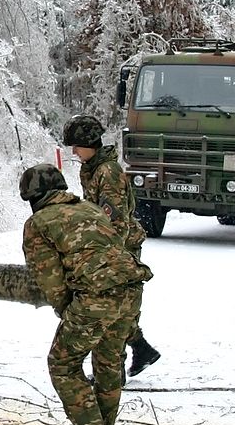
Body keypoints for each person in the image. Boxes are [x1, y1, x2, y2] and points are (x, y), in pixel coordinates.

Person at [20, 163, 154, 425]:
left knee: (62, 363)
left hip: (95, 298)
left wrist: (67, 309)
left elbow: (49, 277)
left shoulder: (39, 223)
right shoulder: (91, 209)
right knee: (108, 363)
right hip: (132, 288)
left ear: (32, 197)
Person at [61, 115, 162, 377]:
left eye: (76, 145)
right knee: (119, 308)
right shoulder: (93, 168)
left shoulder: (108, 172)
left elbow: (116, 222)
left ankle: (112, 373)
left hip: (118, 248)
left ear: (89, 143)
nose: (73, 151)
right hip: (108, 247)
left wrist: (105, 257)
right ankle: (140, 350)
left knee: (111, 309)